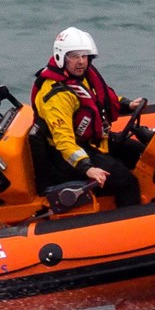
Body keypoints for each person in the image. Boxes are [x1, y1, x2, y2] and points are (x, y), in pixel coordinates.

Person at [30, 26, 146, 210]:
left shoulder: (79, 78)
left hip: (91, 141)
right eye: (74, 56)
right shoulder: (56, 96)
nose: (81, 62)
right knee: (126, 181)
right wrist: (88, 168)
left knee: (141, 153)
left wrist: (127, 105)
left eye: (84, 56)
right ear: (62, 57)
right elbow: (64, 142)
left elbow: (99, 100)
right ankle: (131, 225)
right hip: (68, 156)